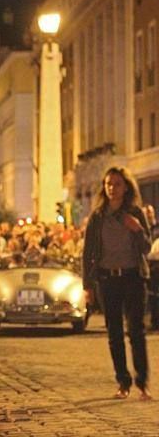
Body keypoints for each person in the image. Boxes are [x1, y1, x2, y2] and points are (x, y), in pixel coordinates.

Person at [82, 166, 152, 400]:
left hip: (133, 277)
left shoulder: (134, 212)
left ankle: (142, 383)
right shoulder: (98, 216)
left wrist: (138, 230)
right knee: (114, 334)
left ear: (126, 187)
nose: (112, 188)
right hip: (107, 279)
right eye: (109, 184)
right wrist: (87, 286)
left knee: (136, 332)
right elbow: (87, 253)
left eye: (117, 184)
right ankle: (123, 382)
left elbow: (146, 248)